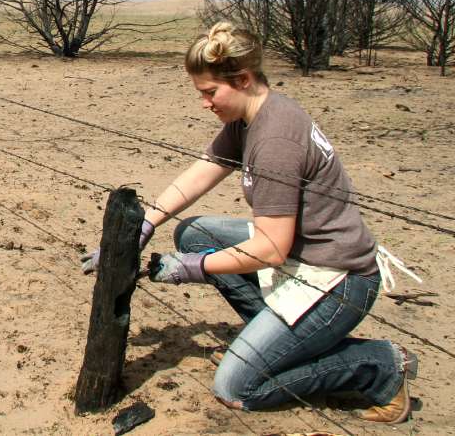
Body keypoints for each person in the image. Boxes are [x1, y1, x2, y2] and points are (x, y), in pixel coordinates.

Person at [84, 22, 418, 423]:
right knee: (193, 233)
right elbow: (202, 171)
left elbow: (270, 248)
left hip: (336, 277)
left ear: (242, 79)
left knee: (236, 388)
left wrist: (192, 268)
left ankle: (379, 366)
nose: (205, 103)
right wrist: (143, 226)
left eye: (210, 92)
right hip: (300, 253)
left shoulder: (275, 140)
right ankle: (279, 336)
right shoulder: (252, 118)